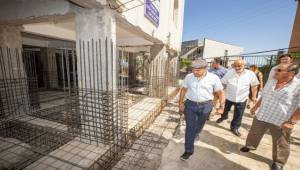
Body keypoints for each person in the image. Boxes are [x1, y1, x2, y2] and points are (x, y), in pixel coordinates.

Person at [240, 63, 300, 170]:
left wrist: (291, 122)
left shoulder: (298, 86)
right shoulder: (272, 81)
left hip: (281, 120)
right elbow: (264, 96)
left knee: (281, 142)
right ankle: (250, 145)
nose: (276, 72)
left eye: (279, 70)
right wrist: (255, 107)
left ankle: (279, 162)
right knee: (254, 132)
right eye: (276, 69)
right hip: (262, 114)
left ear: (291, 73)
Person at [179, 59, 225, 160]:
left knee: (200, 124)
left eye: (197, 70)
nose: (194, 72)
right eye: (193, 70)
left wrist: (222, 107)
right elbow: (183, 89)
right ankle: (188, 150)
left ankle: (196, 133)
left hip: (206, 105)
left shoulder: (214, 78)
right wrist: (180, 103)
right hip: (190, 105)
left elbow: (220, 93)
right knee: (190, 128)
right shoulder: (189, 77)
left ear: (205, 69)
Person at [216, 59, 259, 137]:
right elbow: (223, 83)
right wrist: (220, 93)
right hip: (229, 96)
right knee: (225, 109)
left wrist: (254, 96)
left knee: (238, 114)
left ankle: (234, 127)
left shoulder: (250, 74)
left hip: (242, 98)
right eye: (235, 66)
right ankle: (224, 117)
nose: (237, 67)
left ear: (244, 66)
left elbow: (254, 85)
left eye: (239, 66)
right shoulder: (229, 72)